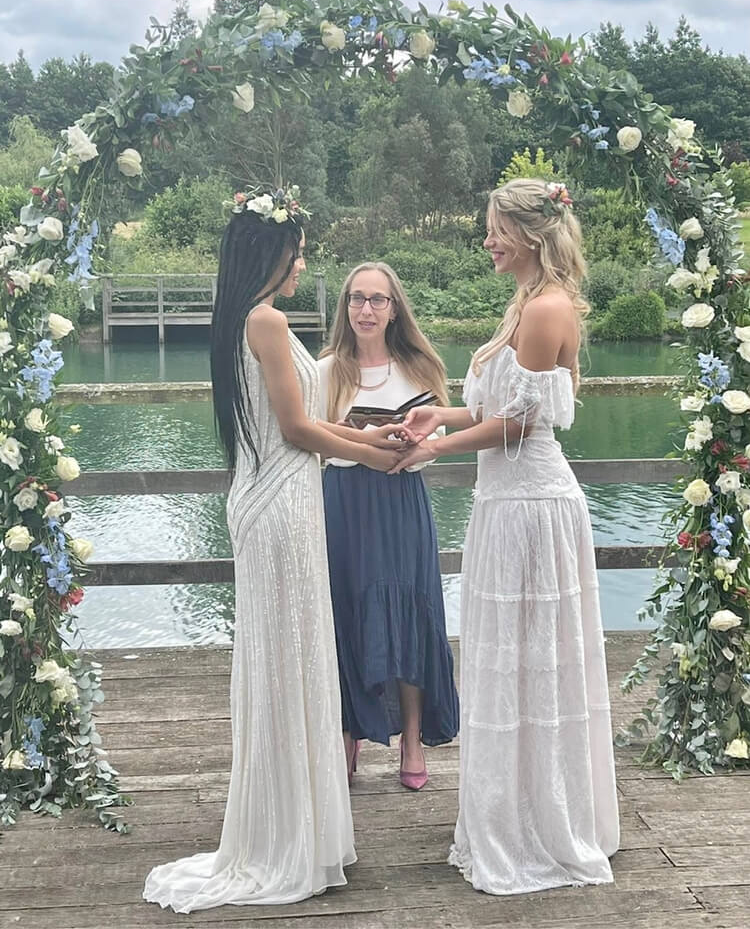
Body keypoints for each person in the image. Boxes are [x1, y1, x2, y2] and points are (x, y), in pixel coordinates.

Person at [143, 189, 404, 913]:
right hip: (280, 503)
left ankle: (298, 826)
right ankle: (287, 837)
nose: (303, 262)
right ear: (273, 252)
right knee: (290, 656)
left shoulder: (246, 320)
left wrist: (369, 439)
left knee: (291, 655)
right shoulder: (265, 319)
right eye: (297, 249)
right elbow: (295, 428)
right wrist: (375, 457)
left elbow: (313, 422)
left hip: (281, 496)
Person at [392, 179, 620, 893]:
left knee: (534, 662)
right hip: (506, 499)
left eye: (494, 229)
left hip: (532, 506)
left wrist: (436, 449)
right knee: (510, 660)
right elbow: (499, 408)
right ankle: (516, 807)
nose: (486, 240)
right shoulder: (523, 303)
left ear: (529, 233)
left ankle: (542, 822)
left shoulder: (547, 308)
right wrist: (442, 417)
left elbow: (526, 424)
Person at [318, 262, 459, 790]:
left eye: (377, 300)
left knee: (409, 612)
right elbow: (308, 435)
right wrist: (361, 441)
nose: (366, 309)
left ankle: (413, 738)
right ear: (345, 307)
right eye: (357, 299)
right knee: (346, 609)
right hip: (344, 504)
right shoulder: (327, 369)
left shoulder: (419, 367)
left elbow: (434, 445)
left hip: (400, 501)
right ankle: (349, 732)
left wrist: (408, 445)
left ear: (394, 307)